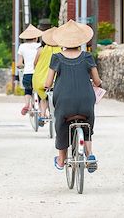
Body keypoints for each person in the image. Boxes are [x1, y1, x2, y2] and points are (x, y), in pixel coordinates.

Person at [44, 20, 102, 173]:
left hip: (64, 103)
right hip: (85, 102)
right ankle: (90, 155)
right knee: (88, 125)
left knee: (61, 125)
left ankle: (61, 160)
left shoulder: (56, 58)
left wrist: (47, 86)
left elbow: (48, 82)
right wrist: (98, 82)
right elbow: (96, 81)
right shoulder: (87, 57)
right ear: (81, 40)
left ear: (62, 41)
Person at [32, 27, 61, 125]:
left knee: (43, 98)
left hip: (40, 79)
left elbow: (35, 64)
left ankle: (42, 115)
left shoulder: (41, 50)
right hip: (55, 79)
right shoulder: (61, 50)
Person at [17, 24, 43, 115]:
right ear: (36, 37)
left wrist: (24, 66)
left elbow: (19, 64)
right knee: (41, 92)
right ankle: (42, 111)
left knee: (28, 90)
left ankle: (27, 104)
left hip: (27, 75)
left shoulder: (22, 47)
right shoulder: (40, 46)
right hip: (39, 74)